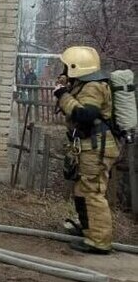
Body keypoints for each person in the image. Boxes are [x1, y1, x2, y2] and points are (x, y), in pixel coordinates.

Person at [53, 46, 118, 254]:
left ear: (75, 67)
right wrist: (65, 84)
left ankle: (99, 241)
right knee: (82, 190)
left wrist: (63, 96)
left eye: (66, 66)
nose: (64, 69)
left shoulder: (93, 87)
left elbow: (86, 115)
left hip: (97, 148)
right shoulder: (84, 84)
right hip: (90, 147)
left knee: (92, 192)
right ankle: (89, 229)